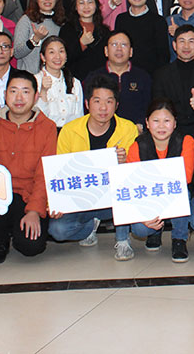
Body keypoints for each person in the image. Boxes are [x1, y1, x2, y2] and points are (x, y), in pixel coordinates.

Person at [0, 70, 57, 263]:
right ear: (5, 94)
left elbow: (45, 174)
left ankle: (17, 232)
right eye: (13, 91)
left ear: (35, 96)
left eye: (25, 92)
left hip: (28, 195)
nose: (19, 98)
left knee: (31, 247)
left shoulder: (47, 127)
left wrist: (34, 210)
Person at [48, 76, 139, 259]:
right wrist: (56, 202)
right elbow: (60, 173)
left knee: (125, 189)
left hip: (114, 199)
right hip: (82, 200)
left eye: (109, 102)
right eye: (97, 101)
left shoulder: (128, 129)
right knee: (58, 230)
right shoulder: (69, 130)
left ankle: (122, 240)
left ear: (116, 105)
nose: (103, 108)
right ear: (87, 104)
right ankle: (90, 226)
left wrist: (124, 163)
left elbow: (135, 175)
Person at [123, 98, 194, 262]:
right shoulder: (137, 146)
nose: (161, 126)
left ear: (175, 123)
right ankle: (155, 232)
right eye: (156, 121)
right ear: (147, 123)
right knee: (139, 229)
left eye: (167, 121)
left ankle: (179, 238)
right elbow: (132, 183)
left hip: (179, 195)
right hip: (149, 198)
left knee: (181, 191)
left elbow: (185, 177)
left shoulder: (186, 141)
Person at [152, 25, 194, 138]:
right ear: (174, 45)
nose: (186, 46)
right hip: (172, 133)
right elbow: (157, 108)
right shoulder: (161, 74)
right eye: (182, 41)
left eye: (191, 41)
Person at [85, 32, 152, 126]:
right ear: (106, 51)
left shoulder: (143, 77)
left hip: (135, 130)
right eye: (114, 44)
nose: (119, 49)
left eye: (124, 45)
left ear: (131, 51)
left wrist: (140, 126)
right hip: (102, 129)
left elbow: (149, 107)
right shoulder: (94, 77)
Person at [113, 0, 172, 76]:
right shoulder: (121, 19)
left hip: (151, 76)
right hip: (125, 74)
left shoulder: (158, 21)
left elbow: (163, 56)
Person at [13, 0, 64, 72]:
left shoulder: (61, 22)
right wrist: (35, 39)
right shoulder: (26, 20)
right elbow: (17, 53)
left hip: (53, 76)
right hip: (29, 76)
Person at [60, 0, 110, 81]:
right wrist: (81, 44)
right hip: (74, 81)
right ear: (75, 7)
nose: (86, 7)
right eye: (81, 3)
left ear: (96, 5)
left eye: (90, 2)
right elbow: (64, 58)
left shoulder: (105, 31)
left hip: (99, 81)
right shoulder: (67, 29)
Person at [34, 36, 84, 129]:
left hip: (69, 134)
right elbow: (37, 119)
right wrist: (43, 91)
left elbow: (79, 117)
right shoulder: (35, 81)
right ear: (43, 57)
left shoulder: (75, 83)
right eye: (52, 52)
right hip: (45, 133)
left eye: (61, 51)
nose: (57, 57)